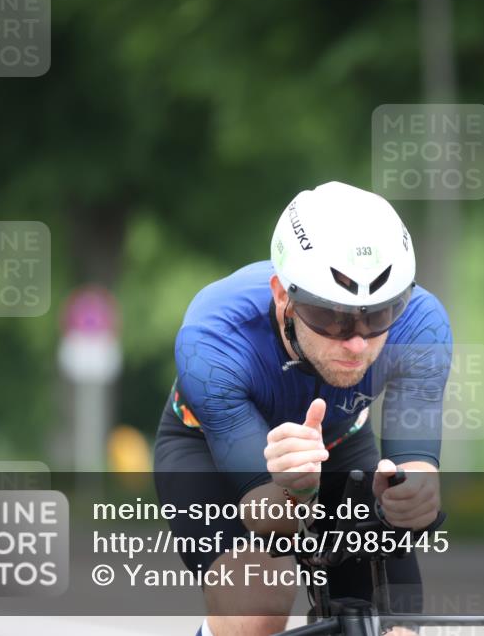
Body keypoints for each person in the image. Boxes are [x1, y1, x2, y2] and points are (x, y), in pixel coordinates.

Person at [154, 181, 453, 636]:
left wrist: (415, 495)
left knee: (395, 625)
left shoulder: (422, 325)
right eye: (331, 316)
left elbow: (416, 468)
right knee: (258, 606)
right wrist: (297, 493)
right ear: (283, 297)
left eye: (377, 315)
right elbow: (268, 515)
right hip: (209, 452)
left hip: (340, 443)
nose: (356, 341)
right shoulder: (212, 339)